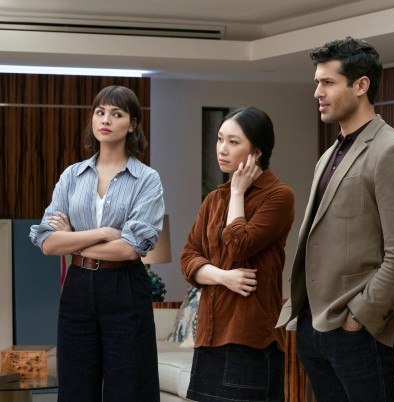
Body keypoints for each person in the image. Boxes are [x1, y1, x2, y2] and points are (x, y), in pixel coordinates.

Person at [276, 37, 394, 402]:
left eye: (328, 82)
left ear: (361, 85)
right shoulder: (329, 154)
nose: (317, 92)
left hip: (358, 332)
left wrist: (359, 318)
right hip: (315, 326)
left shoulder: (392, 151)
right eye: (317, 82)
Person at [29, 85, 164, 402]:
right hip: (78, 287)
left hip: (125, 286)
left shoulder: (147, 179)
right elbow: (47, 242)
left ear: (132, 124)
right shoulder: (72, 176)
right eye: (100, 112)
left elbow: (129, 248)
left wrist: (71, 240)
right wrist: (103, 233)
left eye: (117, 114)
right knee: (75, 387)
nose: (105, 120)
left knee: (130, 387)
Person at [181, 106, 295, 402]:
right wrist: (223, 277)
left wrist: (237, 193)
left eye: (233, 142)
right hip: (209, 336)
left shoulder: (279, 195)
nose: (222, 149)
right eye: (220, 139)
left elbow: (238, 245)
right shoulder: (213, 199)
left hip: (250, 338)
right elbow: (188, 258)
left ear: (257, 151)